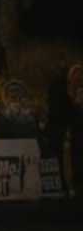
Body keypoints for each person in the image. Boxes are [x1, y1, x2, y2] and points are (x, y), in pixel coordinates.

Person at [45, 64, 83, 197]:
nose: (78, 81)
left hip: (76, 132)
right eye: (76, 78)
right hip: (59, 130)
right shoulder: (58, 89)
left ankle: (75, 185)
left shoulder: (79, 91)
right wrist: (75, 104)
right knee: (61, 159)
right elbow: (57, 112)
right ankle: (63, 186)